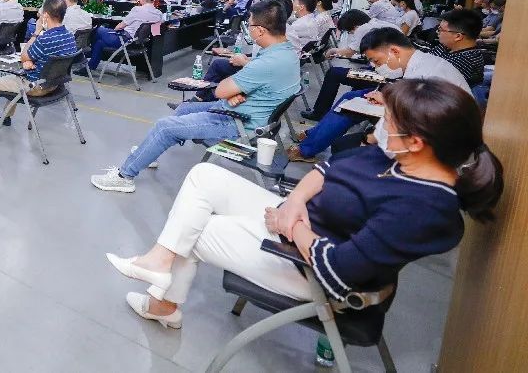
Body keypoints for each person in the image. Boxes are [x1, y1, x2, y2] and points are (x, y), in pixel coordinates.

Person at [104, 79, 502, 330]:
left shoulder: (425, 209)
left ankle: (163, 303)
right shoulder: (398, 158)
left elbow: (341, 270)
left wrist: (290, 225)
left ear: (415, 141)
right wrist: (294, 202)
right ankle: (158, 263)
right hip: (300, 223)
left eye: (389, 122)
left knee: (196, 229)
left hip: (314, 272)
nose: (381, 126)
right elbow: (327, 170)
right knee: (204, 177)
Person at [91, 0, 300, 192]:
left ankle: (124, 176)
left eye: (250, 25)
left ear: (261, 30)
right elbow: (251, 84)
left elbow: (220, 90)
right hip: (246, 112)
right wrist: (237, 91)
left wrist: (234, 91)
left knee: (164, 127)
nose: (249, 29)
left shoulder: (267, 63)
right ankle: (148, 151)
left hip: (237, 122)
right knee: (184, 108)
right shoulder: (285, 52)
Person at [290, 27, 472, 161]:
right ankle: (312, 139)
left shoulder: (424, 74)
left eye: (377, 61)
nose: (376, 67)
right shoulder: (423, 63)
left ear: (394, 51)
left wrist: (371, 138)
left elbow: (409, 121)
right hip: (429, 126)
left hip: (435, 142)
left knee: (344, 135)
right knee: (352, 99)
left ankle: (308, 148)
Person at [0, 0, 79, 139]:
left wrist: (36, 32)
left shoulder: (45, 38)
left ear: (45, 15)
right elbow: (47, 59)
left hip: (34, 86)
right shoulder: (69, 36)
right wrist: (31, 62)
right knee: (15, 76)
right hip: (54, 85)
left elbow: (24, 56)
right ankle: (5, 116)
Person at [299, 10, 399, 120]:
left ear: (354, 25)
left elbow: (350, 51)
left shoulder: (363, 28)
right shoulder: (379, 23)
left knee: (333, 73)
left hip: (382, 77)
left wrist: (333, 50)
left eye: (349, 31)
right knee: (358, 72)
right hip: (393, 76)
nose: (351, 34)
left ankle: (319, 112)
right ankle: (349, 110)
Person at [79, 0, 163, 74]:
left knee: (97, 30)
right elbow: (156, 30)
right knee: (100, 43)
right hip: (139, 43)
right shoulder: (158, 14)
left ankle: (85, 54)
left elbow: (120, 26)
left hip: (124, 39)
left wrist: (113, 32)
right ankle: (89, 68)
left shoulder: (137, 10)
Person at [429, 8, 486, 88]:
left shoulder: (464, 62)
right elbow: (426, 59)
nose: (437, 32)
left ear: (458, 36)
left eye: (440, 30)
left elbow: (430, 84)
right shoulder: (449, 46)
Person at [26, 0, 92, 38]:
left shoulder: (64, 15)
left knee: (31, 24)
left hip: (59, 45)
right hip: (76, 48)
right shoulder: (88, 16)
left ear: (64, 0)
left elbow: (50, 29)